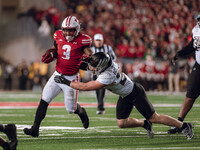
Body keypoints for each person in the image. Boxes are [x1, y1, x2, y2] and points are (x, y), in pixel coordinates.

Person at [54, 52, 194, 139]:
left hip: (134, 93)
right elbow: (89, 63)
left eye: (94, 67)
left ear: (101, 67)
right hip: (125, 94)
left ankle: (184, 126)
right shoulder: (107, 62)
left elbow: (85, 87)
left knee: (154, 117)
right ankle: (145, 124)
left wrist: (66, 82)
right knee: (122, 123)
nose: (91, 68)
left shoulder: (107, 76)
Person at [23, 16, 93, 137]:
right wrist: (52, 54)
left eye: (70, 30)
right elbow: (56, 49)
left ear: (76, 29)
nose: (67, 33)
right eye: (65, 30)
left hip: (71, 78)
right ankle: (35, 129)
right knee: (44, 100)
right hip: (57, 74)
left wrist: (91, 59)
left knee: (70, 109)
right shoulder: (58, 35)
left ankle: (81, 111)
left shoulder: (83, 40)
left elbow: (89, 53)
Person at [168, 13, 200, 134]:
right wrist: (180, 53)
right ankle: (179, 123)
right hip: (199, 66)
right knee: (190, 95)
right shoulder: (196, 30)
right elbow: (192, 45)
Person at [91, 33, 117, 114]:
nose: (98, 42)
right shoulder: (91, 49)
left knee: (101, 88)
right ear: (94, 41)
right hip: (95, 73)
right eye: (97, 40)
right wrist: (91, 67)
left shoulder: (107, 48)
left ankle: (100, 106)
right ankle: (100, 105)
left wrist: (108, 66)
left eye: (100, 40)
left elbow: (114, 58)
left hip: (105, 72)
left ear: (102, 41)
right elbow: (88, 60)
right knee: (96, 89)